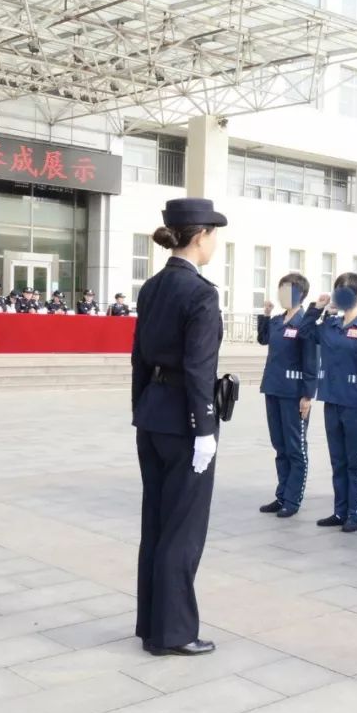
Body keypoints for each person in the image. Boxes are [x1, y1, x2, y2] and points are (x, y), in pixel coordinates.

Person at [131, 196, 226, 657]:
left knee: (156, 523)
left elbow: (139, 359)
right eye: (214, 236)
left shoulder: (152, 287)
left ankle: (151, 623)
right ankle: (173, 633)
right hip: (187, 422)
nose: (214, 245)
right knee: (183, 530)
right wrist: (205, 428)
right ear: (201, 235)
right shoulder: (200, 293)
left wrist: (140, 409)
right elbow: (198, 368)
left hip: (152, 414)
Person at [302, 273, 357, 532]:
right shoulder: (330, 325)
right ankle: (339, 511)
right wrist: (316, 308)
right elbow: (304, 332)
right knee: (338, 460)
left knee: (356, 461)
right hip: (332, 398)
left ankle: (355, 512)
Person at [256, 272, 318, 519]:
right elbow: (263, 339)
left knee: (295, 447)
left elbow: (311, 360)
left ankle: (293, 499)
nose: (283, 295)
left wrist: (307, 394)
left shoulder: (305, 323)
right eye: (280, 289)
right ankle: (281, 494)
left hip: (294, 393)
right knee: (279, 445)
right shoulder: (278, 321)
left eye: (288, 291)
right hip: (273, 387)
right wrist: (265, 315)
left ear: (301, 295)